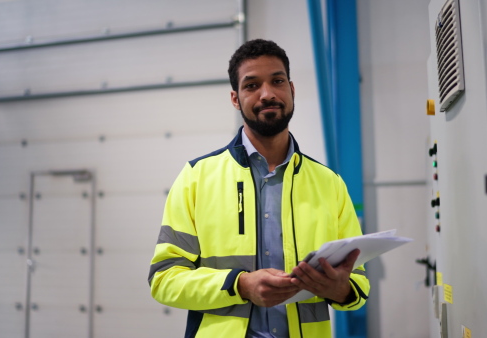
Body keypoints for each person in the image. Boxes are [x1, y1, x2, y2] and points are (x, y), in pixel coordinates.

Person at [149, 39, 370, 338]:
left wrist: (341, 289)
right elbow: (164, 279)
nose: (267, 94)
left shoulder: (329, 183)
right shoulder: (196, 178)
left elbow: (358, 282)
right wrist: (239, 285)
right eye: (252, 85)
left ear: (291, 90)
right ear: (235, 99)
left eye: (277, 81)